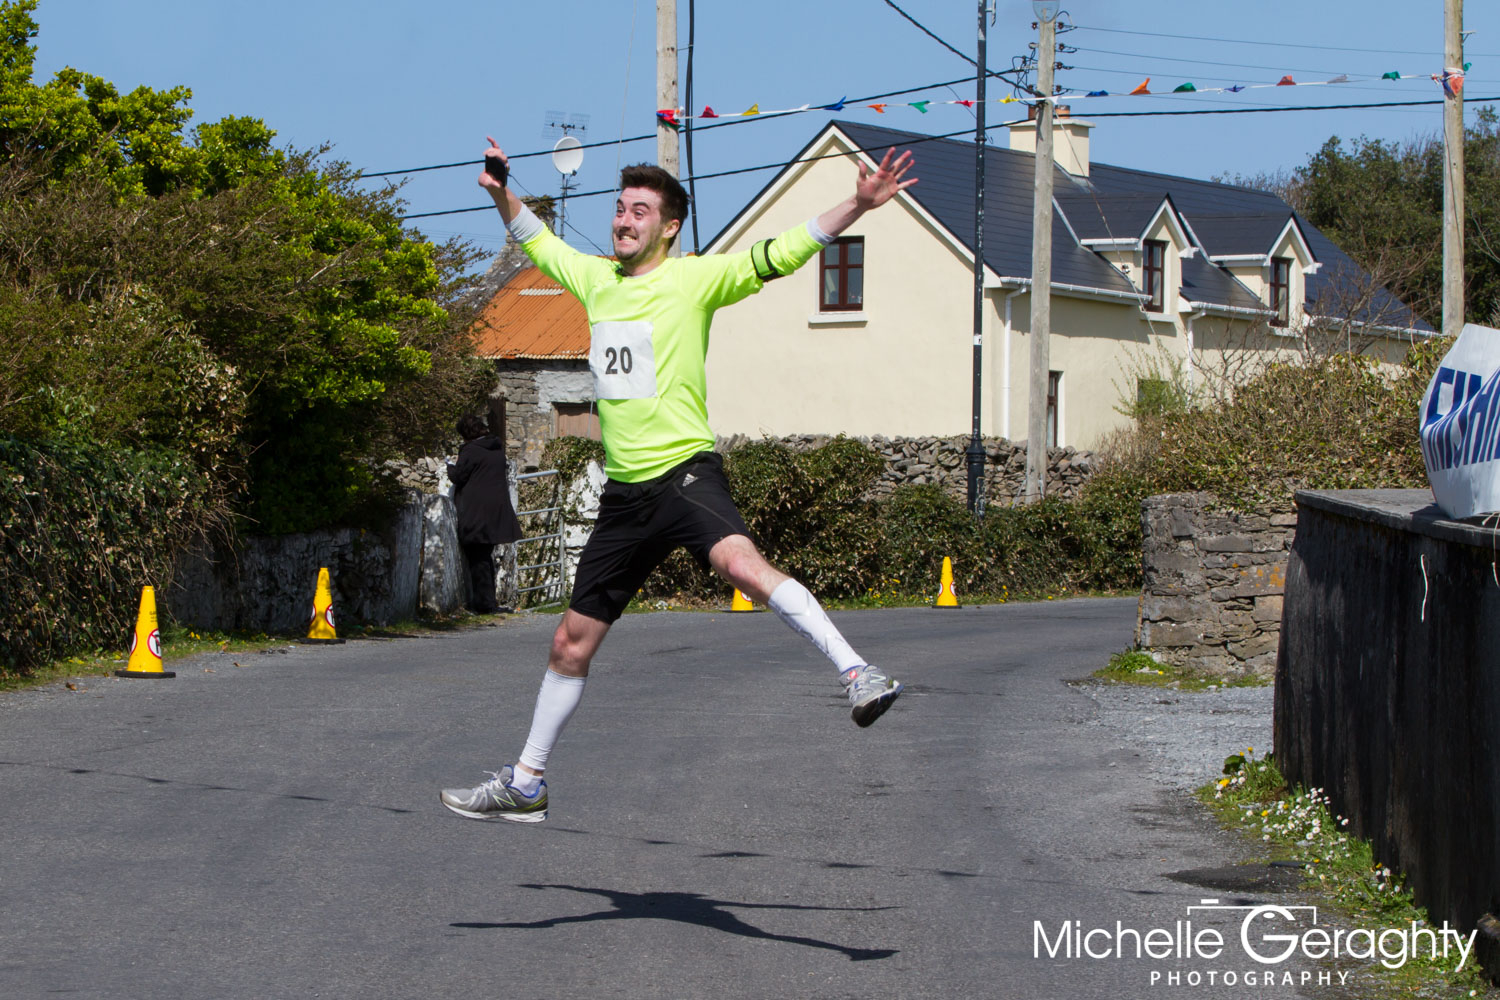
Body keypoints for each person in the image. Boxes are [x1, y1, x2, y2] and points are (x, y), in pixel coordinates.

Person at [440, 136, 918, 822]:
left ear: (668, 227)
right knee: (568, 642)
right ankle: (526, 782)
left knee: (743, 566)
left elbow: (778, 253)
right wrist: (499, 191)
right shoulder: (594, 280)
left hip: (686, 474)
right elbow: (538, 241)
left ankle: (857, 672)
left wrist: (858, 205)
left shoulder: (694, 279)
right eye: (618, 209)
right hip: (625, 496)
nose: (623, 220)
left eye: (639, 211)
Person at [448, 413, 522, 614]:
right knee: (485, 556)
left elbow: (458, 476)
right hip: (495, 511)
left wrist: (449, 465)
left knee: (478, 558)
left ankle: (485, 604)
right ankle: (487, 602)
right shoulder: (497, 449)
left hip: (476, 512)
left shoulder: (471, 451)